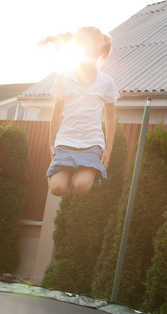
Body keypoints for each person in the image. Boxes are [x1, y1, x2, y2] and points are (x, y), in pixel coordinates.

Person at [39, 27, 120, 196]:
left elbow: (111, 118)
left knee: (82, 186)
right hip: (66, 141)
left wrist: (109, 149)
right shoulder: (64, 77)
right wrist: (51, 142)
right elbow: (56, 112)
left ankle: (77, 176)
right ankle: (59, 174)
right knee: (57, 189)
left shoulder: (106, 82)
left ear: (99, 51)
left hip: (91, 144)